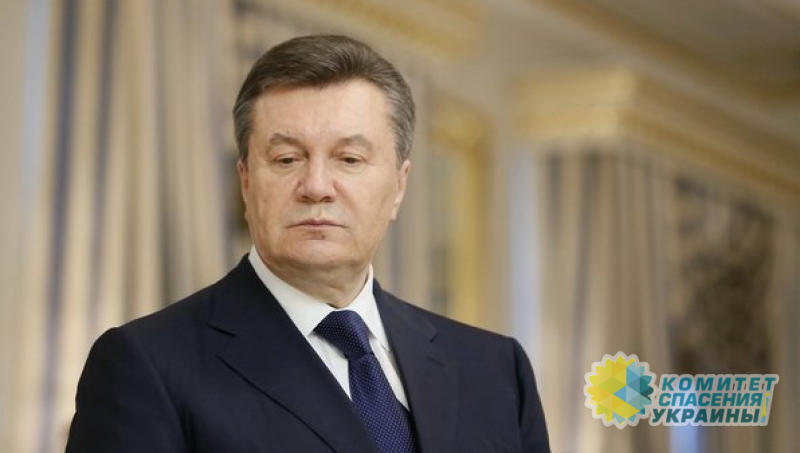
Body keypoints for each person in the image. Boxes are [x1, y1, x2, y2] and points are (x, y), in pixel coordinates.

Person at [65, 34, 550, 453]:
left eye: (349, 159)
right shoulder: (146, 365)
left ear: (399, 185)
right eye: (286, 159)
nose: (316, 186)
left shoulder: (496, 369)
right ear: (246, 182)